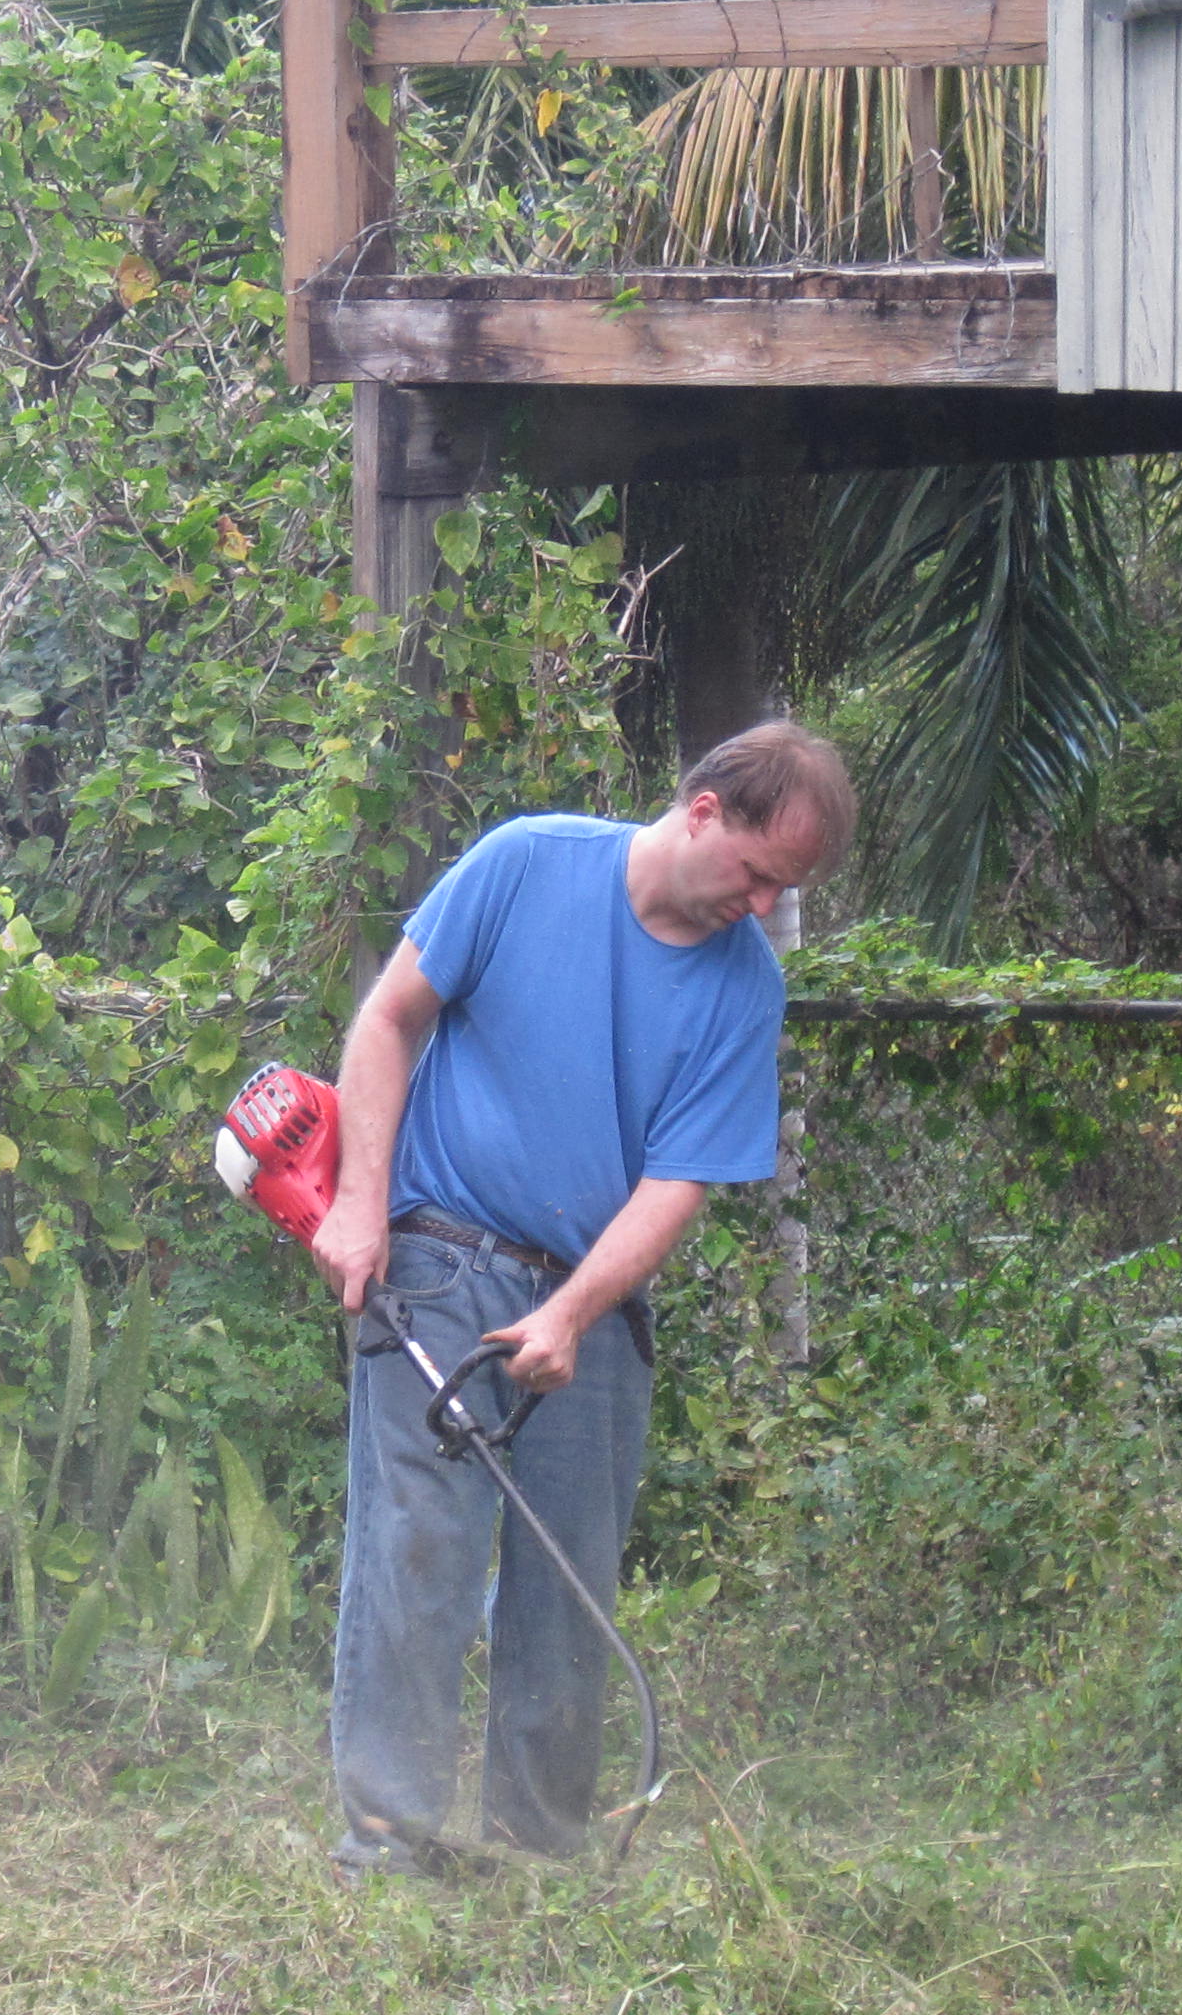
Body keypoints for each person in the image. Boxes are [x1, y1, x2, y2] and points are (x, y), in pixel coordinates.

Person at [311, 720, 854, 1877]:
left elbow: (678, 1182)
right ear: (704, 808)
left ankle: (535, 1852)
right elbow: (388, 1019)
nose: (760, 906)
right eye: (758, 872)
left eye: (783, 890)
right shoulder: (525, 862)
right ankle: (385, 1838)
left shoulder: (745, 987)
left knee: (568, 1580)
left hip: (591, 1308)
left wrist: (570, 1314)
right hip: (438, 1262)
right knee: (418, 1546)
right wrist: (360, 1203)